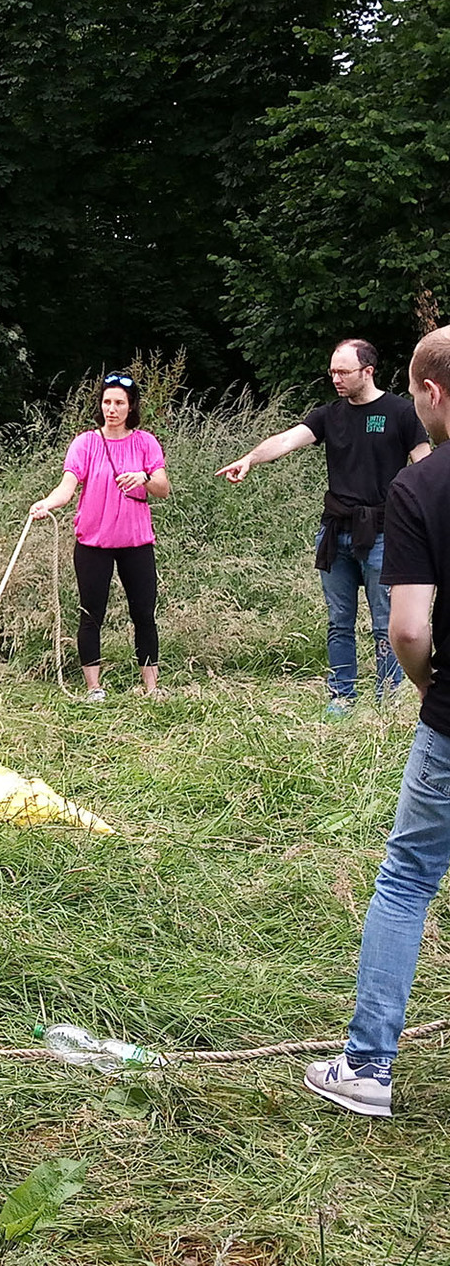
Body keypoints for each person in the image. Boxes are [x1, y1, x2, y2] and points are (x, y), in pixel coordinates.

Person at [304, 325, 450, 1118]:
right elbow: (296, 434)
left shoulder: (421, 487)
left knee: (405, 882)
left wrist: (426, 686)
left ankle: (367, 1068)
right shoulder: (342, 426)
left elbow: (405, 631)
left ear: (425, 393)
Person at [217, 339, 429, 716]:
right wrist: (251, 458)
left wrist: (425, 517)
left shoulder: (400, 412)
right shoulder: (328, 415)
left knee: (386, 623)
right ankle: (341, 698)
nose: (336, 378)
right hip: (336, 533)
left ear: (368, 371)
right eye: (332, 371)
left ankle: (388, 701)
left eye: (344, 372)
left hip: (383, 533)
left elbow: (424, 465)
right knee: (339, 622)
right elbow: (286, 440)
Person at [30, 373, 170, 699]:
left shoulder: (145, 442)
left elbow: (163, 488)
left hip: (137, 544)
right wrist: (45, 504)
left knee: (144, 615)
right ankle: (94, 688)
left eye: (119, 402)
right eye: (107, 402)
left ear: (131, 406)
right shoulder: (85, 443)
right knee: (92, 615)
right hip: (93, 544)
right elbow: (66, 488)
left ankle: (151, 688)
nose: (112, 408)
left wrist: (144, 477)